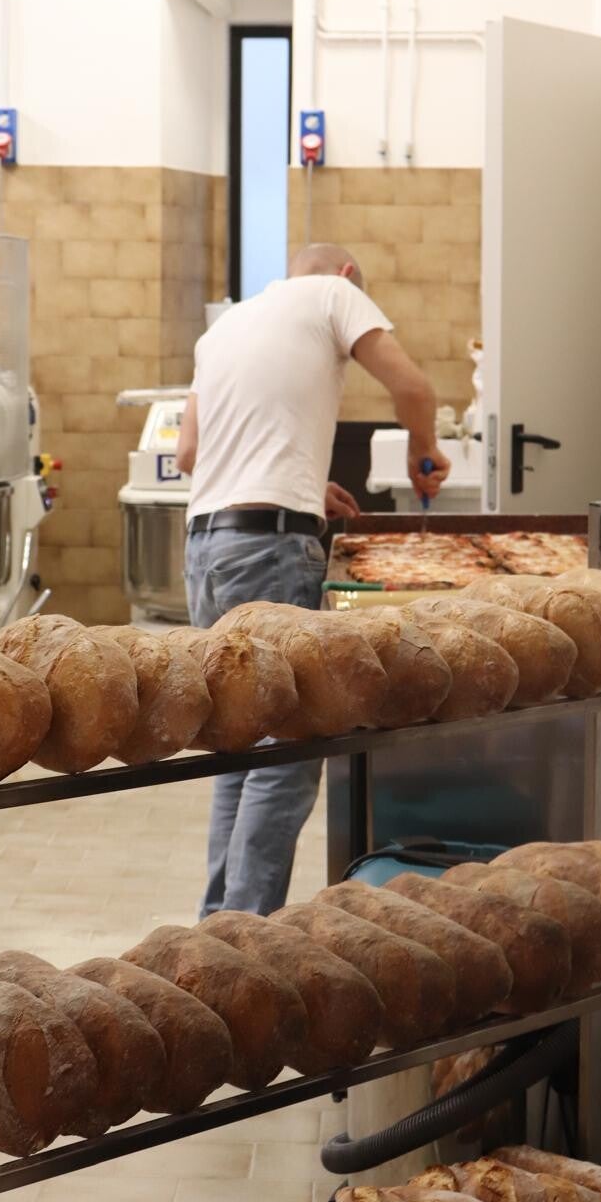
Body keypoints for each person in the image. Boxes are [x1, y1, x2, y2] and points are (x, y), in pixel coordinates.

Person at [175, 242, 449, 918]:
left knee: (237, 745)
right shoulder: (334, 294)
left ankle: (219, 925)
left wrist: (299, 484)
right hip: (268, 551)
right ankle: (245, 933)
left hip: (205, 551)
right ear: (348, 274)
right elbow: (414, 390)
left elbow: (189, 454)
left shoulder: (225, 326)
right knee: (290, 751)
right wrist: (424, 450)